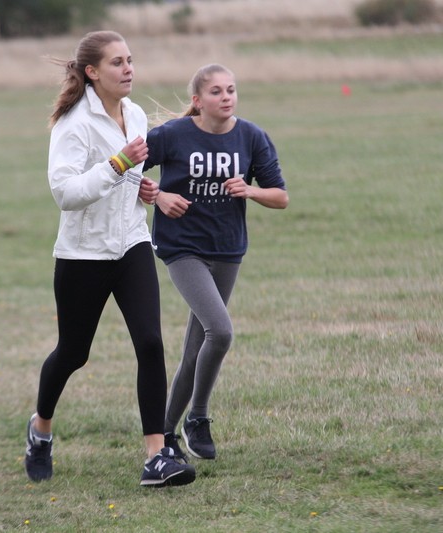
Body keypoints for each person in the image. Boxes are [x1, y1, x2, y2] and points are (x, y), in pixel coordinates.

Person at [24, 30, 195, 487]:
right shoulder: (74, 123)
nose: (128, 69)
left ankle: (156, 457)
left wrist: (145, 189)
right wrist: (118, 164)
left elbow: (126, 180)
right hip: (83, 254)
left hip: (132, 243)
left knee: (151, 343)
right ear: (92, 72)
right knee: (73, 353)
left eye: (130, 60)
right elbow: (65, 193)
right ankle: (40, 428)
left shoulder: (134, 114)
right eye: (117, 62)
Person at [141, 64, 288, 461]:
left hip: (227, 249)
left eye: (231, 90)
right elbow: (124, 171)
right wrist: (158, 196)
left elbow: (280, 196)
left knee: (197, 346)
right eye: (216, 92)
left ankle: (166, 433)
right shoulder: (172, 135)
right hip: (181, 247)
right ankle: (198, 418)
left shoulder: (252, 136)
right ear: (198, 100)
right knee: (220, 332)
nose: (226, 97)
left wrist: (251, 192)